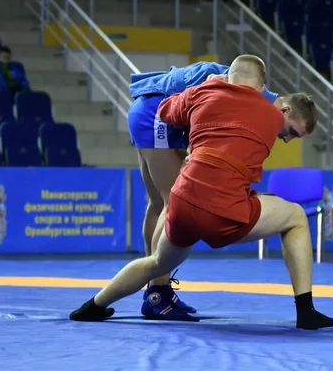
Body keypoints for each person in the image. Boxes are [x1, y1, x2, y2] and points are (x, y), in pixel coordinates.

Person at [70, 55, 333, 330]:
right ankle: (305, 311)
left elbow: (166, 110)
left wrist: (198, 103)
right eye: (291, 133)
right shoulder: (270, 114)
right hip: (222, 213)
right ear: (271, 98)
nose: (287, 139)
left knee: (157, 257)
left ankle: (93, 305)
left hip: (184, 203)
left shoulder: (205, 89)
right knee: (295, 216)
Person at [127, 59, 305, 320]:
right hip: (158, 114)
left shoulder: (246, 83)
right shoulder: (254, 97)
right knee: (170, 203)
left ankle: (157, 290)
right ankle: (157, 295)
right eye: (293, 132)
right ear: (286, 111)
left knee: (157, 204)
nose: (287, 139)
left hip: (147, 108)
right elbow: (203, 103)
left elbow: (204, 107)